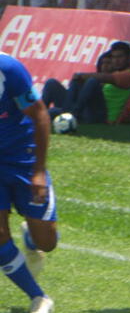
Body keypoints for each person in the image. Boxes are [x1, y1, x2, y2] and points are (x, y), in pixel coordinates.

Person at [0, 52, 57, 313]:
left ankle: (32, 240)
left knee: (47, 242)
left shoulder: (9, 69)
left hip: (24, 158)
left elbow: (41, 115)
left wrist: (38, 172)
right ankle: (38, 297)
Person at [41, 41, 130, 125]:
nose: (116, 60)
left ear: (128, 58)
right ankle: (40, 115)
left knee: (91, 81)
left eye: (120, 57)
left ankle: (73, 114)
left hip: (101, 115)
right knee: (51, 83)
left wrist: (82, 76)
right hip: (88, 109)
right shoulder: (113, 73)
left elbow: (106, 77)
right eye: (114, 57)